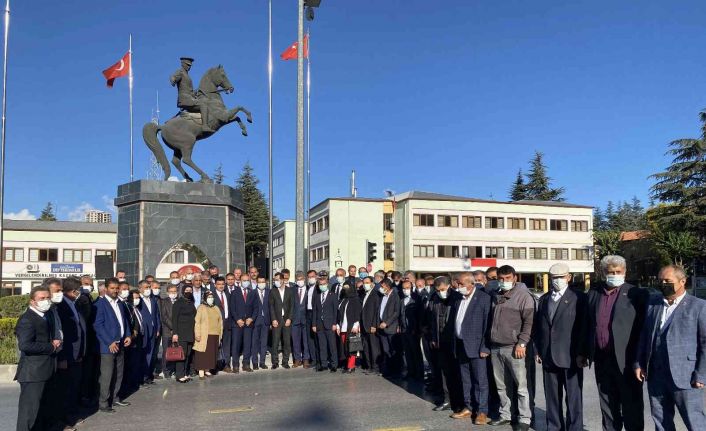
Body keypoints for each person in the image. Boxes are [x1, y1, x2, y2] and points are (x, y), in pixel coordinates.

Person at [635, 265, 706, 431]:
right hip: (656, 375)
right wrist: (639, 363)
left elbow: (705, 343)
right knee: (661, 421)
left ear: (682, 281)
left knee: (694, 421)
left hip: (686, 376)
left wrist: (701, 374)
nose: (663, 284)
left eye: (667, 281)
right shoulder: (653, 305)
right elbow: (645, 336)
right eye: (660, 281)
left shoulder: (699, 306)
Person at [587, 255, 647, 431]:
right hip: (602, 358)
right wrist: (584, 351)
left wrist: (640, 360)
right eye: (611, 272)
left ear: (625, 272)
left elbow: (643, 329)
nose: (614, 275)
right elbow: (587, 324)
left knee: (631, 405)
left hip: (627, 361)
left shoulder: (637, 294)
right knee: (607, 403)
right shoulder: (594, 293)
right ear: (603, 273)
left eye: (618, 272)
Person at [533, 263, 588, 431]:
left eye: (561, 277)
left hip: (571, 356)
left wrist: (582, 352)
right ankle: (554, 427)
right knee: (551, 397)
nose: (557, 280)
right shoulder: (544, 299)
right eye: (554, 278)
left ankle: (575, 428)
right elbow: (538, 326)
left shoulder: (579, 298)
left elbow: (584, 327)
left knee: (573, 398)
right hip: (548, 355)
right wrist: (537, 350)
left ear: (569, 277)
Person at [487, 265, 535, 429]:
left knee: (521, 387)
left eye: (508, 278)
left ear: (515, 278)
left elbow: (529, 322)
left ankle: (524, 418)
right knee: (501, 385)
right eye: (501, 278)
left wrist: (522, 343)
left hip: (514, 347)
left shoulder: (524, 296)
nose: (504, 281)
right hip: (496, 347)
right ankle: (506, 414)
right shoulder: (496, 295)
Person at [15, 285, 59, 431]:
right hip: (33, 372)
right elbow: (25, 345)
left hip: (47, 369)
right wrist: (50, 346)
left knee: (41, 412)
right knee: (29, 414)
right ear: (32, 301)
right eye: (42, 298)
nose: (46, 301)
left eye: (48, 298)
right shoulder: (27, 319)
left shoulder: (46, 315)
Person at [450, 273, 491, 425]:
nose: (458, 287)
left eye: (461, 284)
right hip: (461, 344)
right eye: (458, 284)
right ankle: (468, 407)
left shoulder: (483, 298)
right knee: (465, 379)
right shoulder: (459, 299)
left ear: (471, 284)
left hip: (477, 346)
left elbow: (487, 324)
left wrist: (485, 347)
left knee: (480, 381)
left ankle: (482, 411)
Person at [93, 278, 132, 413]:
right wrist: (109, 341)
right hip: (108, 346)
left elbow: (124, 321)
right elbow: (98, 325)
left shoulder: (120, 303)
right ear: (105, 289)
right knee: (107, 375)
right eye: (112, 288)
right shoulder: (100, 304)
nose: (115, 290)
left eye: (117, 288)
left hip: (121, 343)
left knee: (119, 373)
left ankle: (115, 398)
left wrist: (128, 335)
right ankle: (103, 403)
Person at [427, 276, 463, 413]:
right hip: (440, 341)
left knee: (457, 373)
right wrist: (434, 337)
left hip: (454, 341)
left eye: (442, 289)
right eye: (437, 290)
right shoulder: (435, 299)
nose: (440, 292)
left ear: (448, 286)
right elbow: (432, 319)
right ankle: (446, 399)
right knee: (443, 372)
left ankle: (459, 401)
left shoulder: (457, 298)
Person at [55, 277, 87, 430]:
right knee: (66, 389)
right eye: (79, 290)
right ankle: (65, 419)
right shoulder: (61, 306)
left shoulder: (74, 303)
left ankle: (72, 413)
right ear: (73, 291)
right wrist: (62, 357)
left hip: (77, 353)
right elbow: (62, 333)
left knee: (74, 385)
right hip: (67, 354)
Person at [193, 291, 223, 379]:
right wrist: (197, 334)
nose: (211, 299)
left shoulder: (216, 308)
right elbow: (197, 322)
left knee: (211, 354)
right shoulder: (201, 307)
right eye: (209, 297)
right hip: (204, 335)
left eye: (212, 297)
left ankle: (207, 370)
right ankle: (201, 371)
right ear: (205, 298)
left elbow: (220, 322)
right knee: (202, 354)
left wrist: (220, 334)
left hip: (215, 335)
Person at [313, 271, 339, 372]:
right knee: (322, 346)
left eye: (323, 284)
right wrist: (314, 324)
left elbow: (335, 311)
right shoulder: (317, 296)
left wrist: (334, 323)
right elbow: (315, 311)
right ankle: (323, 364)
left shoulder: (333, 295)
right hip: (320, 325)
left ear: (327, 284)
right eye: (320, 284)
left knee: (332, 346)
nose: (322, 286)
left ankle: (334, 364)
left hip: (330, 324)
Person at [172, 285, 197, 383]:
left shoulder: (191, 302)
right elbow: (174, 319)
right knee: (181, 354)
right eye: (187, 290)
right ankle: (179, 375)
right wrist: (175, 333)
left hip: (190, 332)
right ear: (183, 291)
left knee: (188, 354)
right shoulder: (178, 303)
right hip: (181, 332)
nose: (189, 292)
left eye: (190, 290)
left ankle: (185, 373)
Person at [269, 271, 294, 369]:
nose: (276, 281)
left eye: (277, 279)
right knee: (275, 342)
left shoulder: (289, 291)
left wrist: (289, 318)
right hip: (277, 320)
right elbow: (271, 306)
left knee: (287, 342)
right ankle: (275, 362)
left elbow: (292, 306)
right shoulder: (273, 291)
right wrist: (273, 319)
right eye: (275, 280)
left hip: (286, 320)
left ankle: (285, 361)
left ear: (283, 280)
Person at [138, 280, 160, 384]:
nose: (148, 289)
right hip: (143, 332)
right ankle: (141, 377)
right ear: (140, 289)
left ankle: (147, 376)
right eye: (146, 287)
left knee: (150, 354)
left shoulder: (153, 300)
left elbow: (156, 315)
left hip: (153, 331)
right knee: (142, 355)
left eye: (149, 287)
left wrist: (158, 328)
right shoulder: (138, 300)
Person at [400, 280, 423, 379]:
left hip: (413, 330)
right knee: (407, 352)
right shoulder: (402, 299)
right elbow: (401, 314)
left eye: (407, 288)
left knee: (415, 352)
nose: (405, 290)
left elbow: (419, 315)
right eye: (403, 288)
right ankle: (411, 371)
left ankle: (419, 373)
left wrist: (416, 328)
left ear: (412, 288)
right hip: (404, 329)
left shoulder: (416, 298)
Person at [230, 274, 253, 373]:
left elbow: (256, 307)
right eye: (244, 280)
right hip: (237, 324)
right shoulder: (234, 292)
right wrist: (237, 319)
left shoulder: (252, 292)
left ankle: (246, 364)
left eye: (247, 280)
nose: (246, 282)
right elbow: (232, 308)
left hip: (248, 323)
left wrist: (251, 318)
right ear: (240, 281)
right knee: (236, 345)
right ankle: (235, 365)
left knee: (247, 345)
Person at [377, 278, 400, 377]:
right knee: (385, 350)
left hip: (390, 327)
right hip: (381, 328)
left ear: (387, 286)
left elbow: (396, 312)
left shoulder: (395, 296)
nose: (381, 288)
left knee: (393, 350)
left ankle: (395, 371)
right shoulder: (383, 296)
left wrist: (386, 323)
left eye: (382, 286)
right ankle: (387, 370)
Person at [337, 282, 362, 373]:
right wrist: (338, 325)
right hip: (343, 327)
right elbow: (338, 314)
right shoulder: (343, 299)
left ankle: (351, 366)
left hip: (351, 326)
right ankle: (347, 364)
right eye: (344, 288)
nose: (345, 290)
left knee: (352, 347)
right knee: (344, 347)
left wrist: (356, 325)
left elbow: (358, 312)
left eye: (347, 288)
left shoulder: (355, 299)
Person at [360, 276, 381, 375]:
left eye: (367, 282)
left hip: (371, 326)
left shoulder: (375, 294)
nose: (365, 285)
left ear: (372, 284)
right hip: (364, 325)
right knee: (366, 347)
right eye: (364, 283)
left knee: (374, 347)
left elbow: (376, 311)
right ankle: (369, 366)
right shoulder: (365, 294)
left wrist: (374, 325)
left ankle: (375, 366)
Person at [211, 276, 232, 372]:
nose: (221, 286)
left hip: (227, 323)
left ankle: (226, 364)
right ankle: (214, 365)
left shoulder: (228, 294)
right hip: (216, 324)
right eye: (219, 284)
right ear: (215, 285)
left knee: (227, 345)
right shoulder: (211, 295)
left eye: (223, 284)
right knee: (215, 345)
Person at [251, 276, 271, 370]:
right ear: (256, 282)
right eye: (260, 282)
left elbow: (271, 306)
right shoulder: (253, 293)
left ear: (265, 282)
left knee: (264, 342)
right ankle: (255, 362)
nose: (261, 283)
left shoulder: (269, 292)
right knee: (254, 342)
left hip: (266, 321)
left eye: (263, 282)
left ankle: (262, 362)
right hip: (256, 320)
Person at [291, 271, 311, 368]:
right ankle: (297, 359)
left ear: (305, 279)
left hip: (305, 319)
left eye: (301, 279)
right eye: (298, 279)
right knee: (295, 340)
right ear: (295, 280)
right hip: (295, 319)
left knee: (306, 340)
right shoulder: (292, 290)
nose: (300, 281)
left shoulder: (309, 289)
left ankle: (306, 359)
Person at [159, 283, 179, 378]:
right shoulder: (164, 302)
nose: (173, 293)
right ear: (167, 292)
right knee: (166, 351)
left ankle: (174, 369)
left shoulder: (179, 301)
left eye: (175, 291)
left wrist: (177, 330)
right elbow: (164, 317)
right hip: (167, 331)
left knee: (176, 350)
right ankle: (165, 370)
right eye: (171, 292)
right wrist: (173, 328)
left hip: (178, 331)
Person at [305, 269, 321, 369]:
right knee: (310, 338)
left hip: (316, 314)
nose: (311, 278)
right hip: (308, 314)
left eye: (313, 277)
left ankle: (320, 359)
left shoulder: (318, 287)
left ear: (316, 277)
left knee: (317, 338)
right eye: (309, 277)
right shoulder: (308, 288)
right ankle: (314, 359)